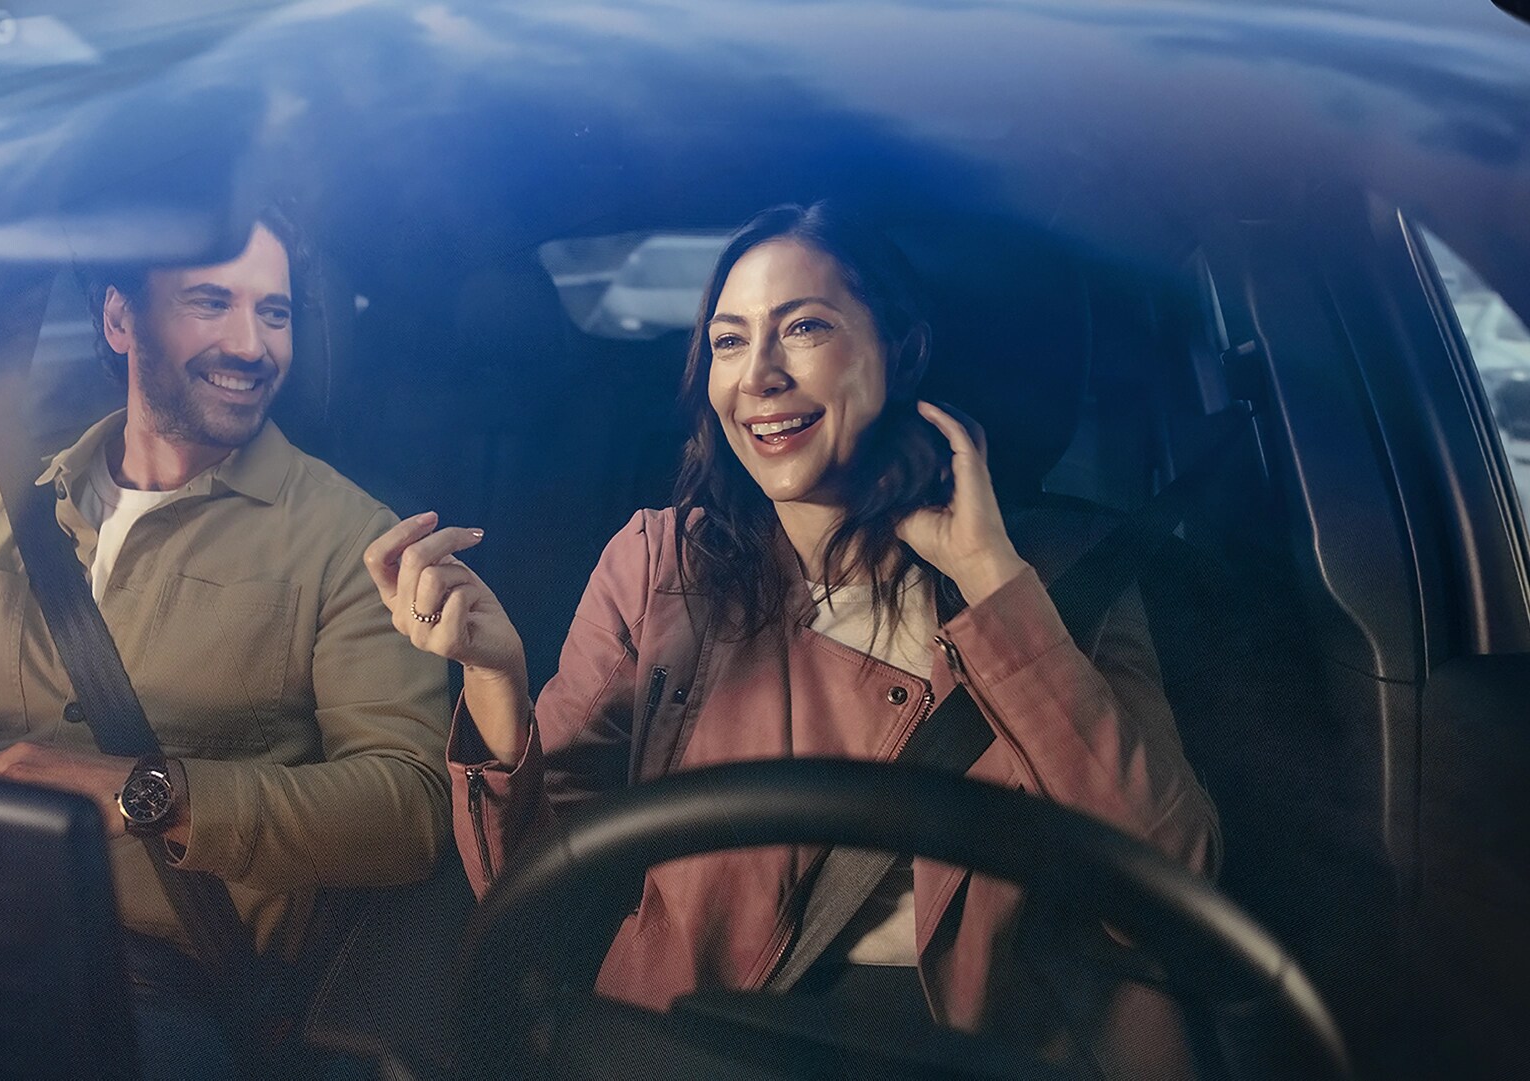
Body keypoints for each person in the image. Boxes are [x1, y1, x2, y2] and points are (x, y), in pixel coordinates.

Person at [363, 201, 1218, 1072]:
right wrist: (494, 679)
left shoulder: (1061, 573)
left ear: (902, 351)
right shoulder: (661, 566)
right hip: (701, 1042)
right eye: (729, 341)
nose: (759, 376)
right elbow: (538, 896)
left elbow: (1170, 883)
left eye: (804, 327)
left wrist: (992, 580)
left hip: (979, 1054)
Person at [0, 208, 451, 1075]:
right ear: (119, 318)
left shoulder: (353, 540)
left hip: (152, 983)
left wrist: (146, 791)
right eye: (211, 302)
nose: (251, 344)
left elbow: (411, 808)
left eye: (275, 312)